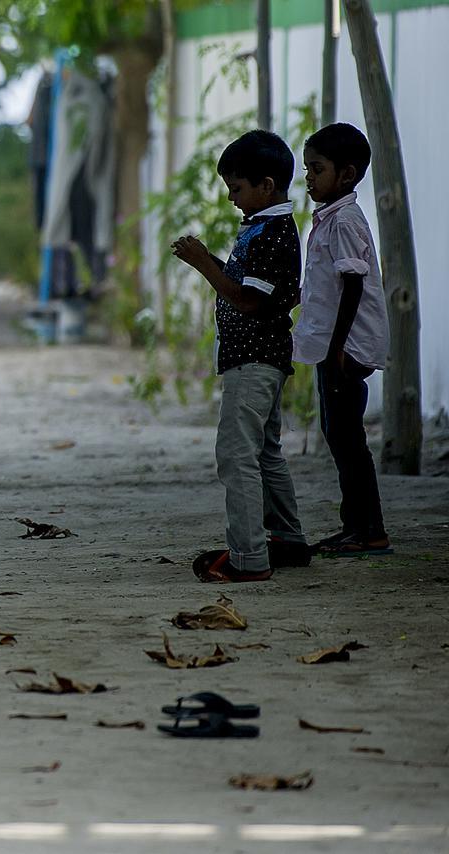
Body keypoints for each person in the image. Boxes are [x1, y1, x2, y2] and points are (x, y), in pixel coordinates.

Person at [171, 129, 311, 582]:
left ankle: (249, 557)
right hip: (256, 358)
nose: (232, 198)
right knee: (265, 451)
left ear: (266, 186)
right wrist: (210, 258)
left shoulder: (272, 233)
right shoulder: (262, 228)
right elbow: (248, 285)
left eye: (237, 188)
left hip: (255, 360)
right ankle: (286, 540)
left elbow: (250, 300)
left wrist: (202, 263)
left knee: (236, 454)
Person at [296, 123, 392, 557]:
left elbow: (352, 286)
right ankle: (356, 526)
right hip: (334, 345)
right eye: (307, 170)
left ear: (347, 174)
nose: (309, 179)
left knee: (347, 437)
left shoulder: (346, 221)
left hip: (347, 347)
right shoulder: (332, 218)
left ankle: (368, 529)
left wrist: (337, 350)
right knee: (339, 433)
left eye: (316, 170)